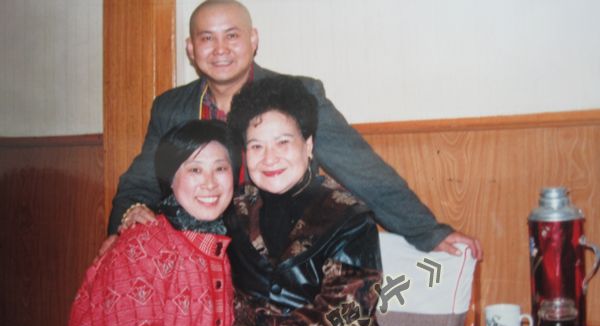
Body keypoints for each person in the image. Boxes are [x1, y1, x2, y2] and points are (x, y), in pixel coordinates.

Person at [106, 0, 482, 259]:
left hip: (281, 255)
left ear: (253, 40)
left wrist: (428, 231)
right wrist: (127, 216)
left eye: (232, 35)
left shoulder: (297, 94)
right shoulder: (171, 107)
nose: (220, 49)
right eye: (207, 38)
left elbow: (363, 169)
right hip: (198, 253)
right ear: (191, 49)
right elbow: (141, 181)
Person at [196, 75, 383, 326]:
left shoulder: (348, 215)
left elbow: (345, 315)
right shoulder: (233, 212)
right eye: (256, 146)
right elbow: (183, 212)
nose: (270, 158)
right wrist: (135, 214)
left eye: (283, 142)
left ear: (308, 145)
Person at [41, 120, 236, 326]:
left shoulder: (217, 248)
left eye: (220, 168)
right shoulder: (140, 245)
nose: (210, 183)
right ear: (170, 179)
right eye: (194, 169)